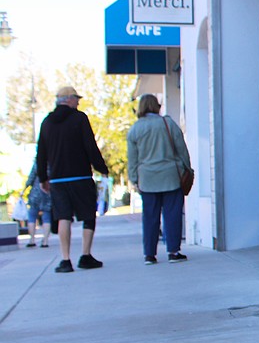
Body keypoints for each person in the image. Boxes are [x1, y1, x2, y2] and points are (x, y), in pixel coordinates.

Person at [36, 85, 110, 273]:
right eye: (77, 98)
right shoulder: (80, 118)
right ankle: (85, 255)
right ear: (68, 99)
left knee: (63, 217)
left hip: (57, 180)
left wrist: (44, 178)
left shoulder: (47, 123)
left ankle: (65, 259)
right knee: (87, 215)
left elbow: (41, 154)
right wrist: (102, 168)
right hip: (81, 176)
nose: (78, 102)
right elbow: (90, 146)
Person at [127, 94, 192, 265]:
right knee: (173, 215)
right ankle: (173, 251)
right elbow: (181, 149)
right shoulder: (167, 123)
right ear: (157, 106)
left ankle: (149, 254)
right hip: (170, 176)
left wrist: (134, 179)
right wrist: (187, 168)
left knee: (149, 217)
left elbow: (132, 159)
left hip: (147, 179)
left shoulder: (135, 129)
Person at [23, 160, 52, 248]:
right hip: (48, 193)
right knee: (46, 217)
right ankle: (45, 241)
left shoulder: (38, 163)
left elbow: (31, 178)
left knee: (32, 217)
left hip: (35, 193)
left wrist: (24, 189)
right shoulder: (52, 162)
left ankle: (32, 240)